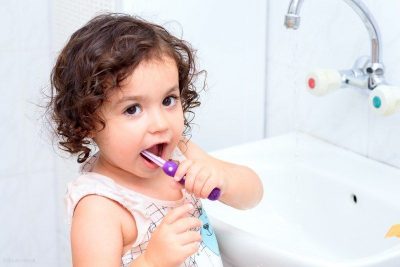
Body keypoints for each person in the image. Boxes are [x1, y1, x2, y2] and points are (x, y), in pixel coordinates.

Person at [48, 13, 263, 267]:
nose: (160, 124)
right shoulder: (100, 207)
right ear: (88, 122)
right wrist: (152, 261)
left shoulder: (181, 153)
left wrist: (223, 180)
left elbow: (254, 195)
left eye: (168, 100)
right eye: (132, 109)